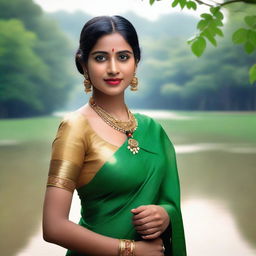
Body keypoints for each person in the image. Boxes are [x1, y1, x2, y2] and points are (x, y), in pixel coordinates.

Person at [42, 15, 186, 256]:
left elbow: (169, 202)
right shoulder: (75, 128)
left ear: (136, 62)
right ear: (84, 64)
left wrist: (164, 215)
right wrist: (129, 249)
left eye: (123, 57)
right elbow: (53, 227)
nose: (113, 68)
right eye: (100, 58)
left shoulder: (153, 130)